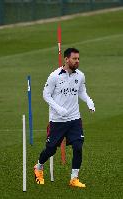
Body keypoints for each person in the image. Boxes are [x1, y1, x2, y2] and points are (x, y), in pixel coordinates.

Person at [34, 48, 95, 188]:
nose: (77, 61)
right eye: (74, 59)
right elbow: (46, 95)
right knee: (50, 150)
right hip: (57, 120)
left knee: (78, 146)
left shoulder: (80, 76)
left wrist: (89, 101)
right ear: (67, 59)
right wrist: (58, 108)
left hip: (74, 119)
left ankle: (74, 178)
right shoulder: (54, 76)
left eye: (78, 59)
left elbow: (82, 92)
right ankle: (38, 167)